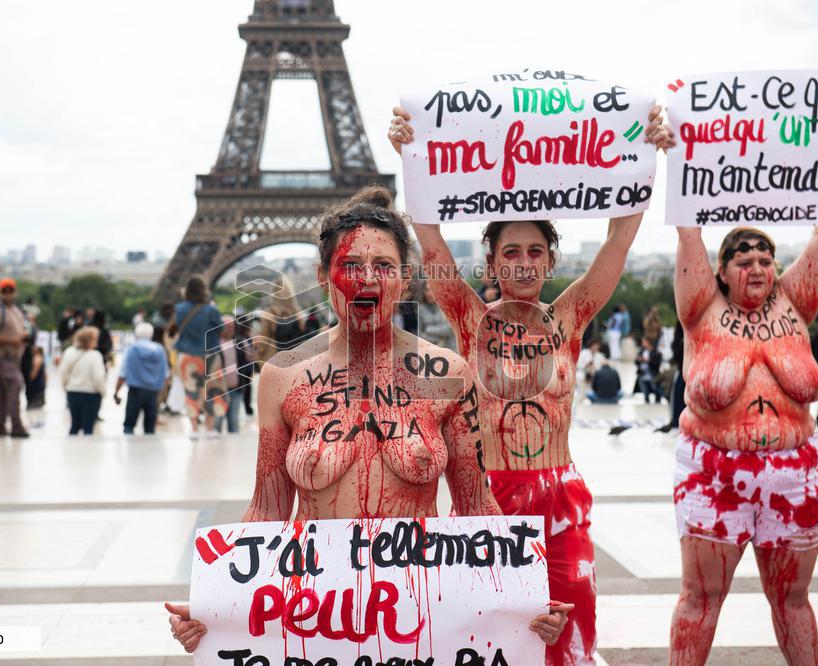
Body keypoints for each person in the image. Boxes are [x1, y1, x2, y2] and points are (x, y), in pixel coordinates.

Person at [165, 185, 571, 654]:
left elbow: (476, 505)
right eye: (351, 266)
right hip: (316, 622)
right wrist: (215, 602)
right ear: (322, 276)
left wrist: (525, 600)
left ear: (406, 276)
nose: (368, 280)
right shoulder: (282, 377)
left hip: (419, 619)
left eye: (384, 267)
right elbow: (268, 509)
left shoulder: (448, 376)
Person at [389, 105, 671, 664]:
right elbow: (431, 241)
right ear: (490, 262)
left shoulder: (569, 318)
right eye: (510, 253)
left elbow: (618, 242)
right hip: (488, 494)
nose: (523, 264)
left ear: (551, 259)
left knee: (568, 638)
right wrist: (411, 158)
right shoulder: (472, 320)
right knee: (490, 643)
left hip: (559, 497)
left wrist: (647, 157)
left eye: (535, 252)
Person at [669, 121, 818, 666]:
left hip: (792, 469)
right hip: (713, 470)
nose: (757, 267)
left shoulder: (795, 303)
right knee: (700, 598)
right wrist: (673, 156)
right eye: (744, 259)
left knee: (792, 598)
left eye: (765, 259)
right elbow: (686, 229)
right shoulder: (700, 309)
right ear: (720, 270)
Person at [172, 276, 225, 439]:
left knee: (191, 392)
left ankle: (194, 429)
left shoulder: (180, 309)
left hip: (187, 355)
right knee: (212, 391)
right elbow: (221, 329)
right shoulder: (211, 310)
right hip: (209, 354)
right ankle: (210, 428)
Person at [0, 278, 31, 438]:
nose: (8, 294)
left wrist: (23, 337)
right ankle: (16, 425)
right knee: (15, 384)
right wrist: (13, 340)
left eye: (10, 290)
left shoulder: (16, 311)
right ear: (0, 292)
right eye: (5, 290)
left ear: (15, 292)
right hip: (2, 356)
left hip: (14, 358)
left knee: (4, 393)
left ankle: (0, 426)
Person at [114, 322, 168, 435]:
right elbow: (165, 375)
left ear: (136, 334)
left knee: (129, 425)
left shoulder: (132, 349)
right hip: (153, 393)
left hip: (135, 391)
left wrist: (116, 392)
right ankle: (149, 451)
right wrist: (163, 395)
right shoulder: (159, 349)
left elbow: (123, 373)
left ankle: (129, 450)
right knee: (150, 427)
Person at [58, 326, 107, 435]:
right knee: (88, 427)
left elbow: (62, 373)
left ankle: (71, 449)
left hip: (73, 392)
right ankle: (87, 450)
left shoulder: (69, 352)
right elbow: (98, 378)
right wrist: (103, 392)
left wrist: (66, 388)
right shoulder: (95, 355)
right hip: (91, 395)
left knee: (74, 425)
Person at [211, 316, 244, 434]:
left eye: (232, 326)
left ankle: (234, 449)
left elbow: (248, 361)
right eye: (227, 327)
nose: (230, 329)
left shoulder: (240, 342)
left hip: (236, 387)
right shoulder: (213, 344)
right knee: (217, 421)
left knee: (234, 420)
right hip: (219, 390)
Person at [633, 336, 662, 404]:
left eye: (644, 342)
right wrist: (638, 360)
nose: (643, 344)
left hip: (652, 374)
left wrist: (648, 361)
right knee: (645, 392)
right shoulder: (641, 351)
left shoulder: (656, 352)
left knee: (656, 389)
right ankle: (647, 402)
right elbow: (636, 362)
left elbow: (657, 363)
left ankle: (657, 401)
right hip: (642, 374)